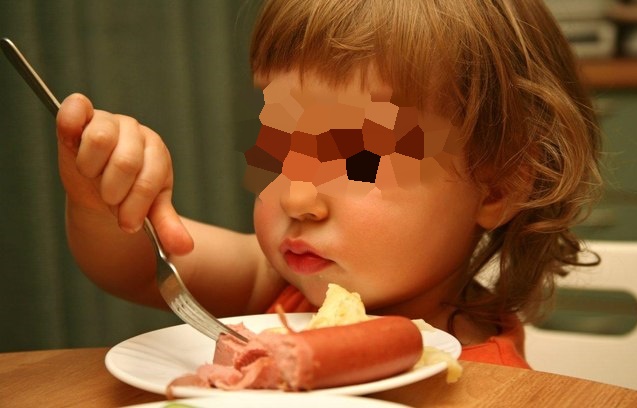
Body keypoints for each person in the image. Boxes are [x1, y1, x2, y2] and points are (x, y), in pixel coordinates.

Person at [55, 0, 601, 368]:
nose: (297, 197)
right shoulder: (279, 284)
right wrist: (102, 202)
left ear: (497, 187)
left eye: (360, 155)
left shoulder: (489, 383)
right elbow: (136, 268)